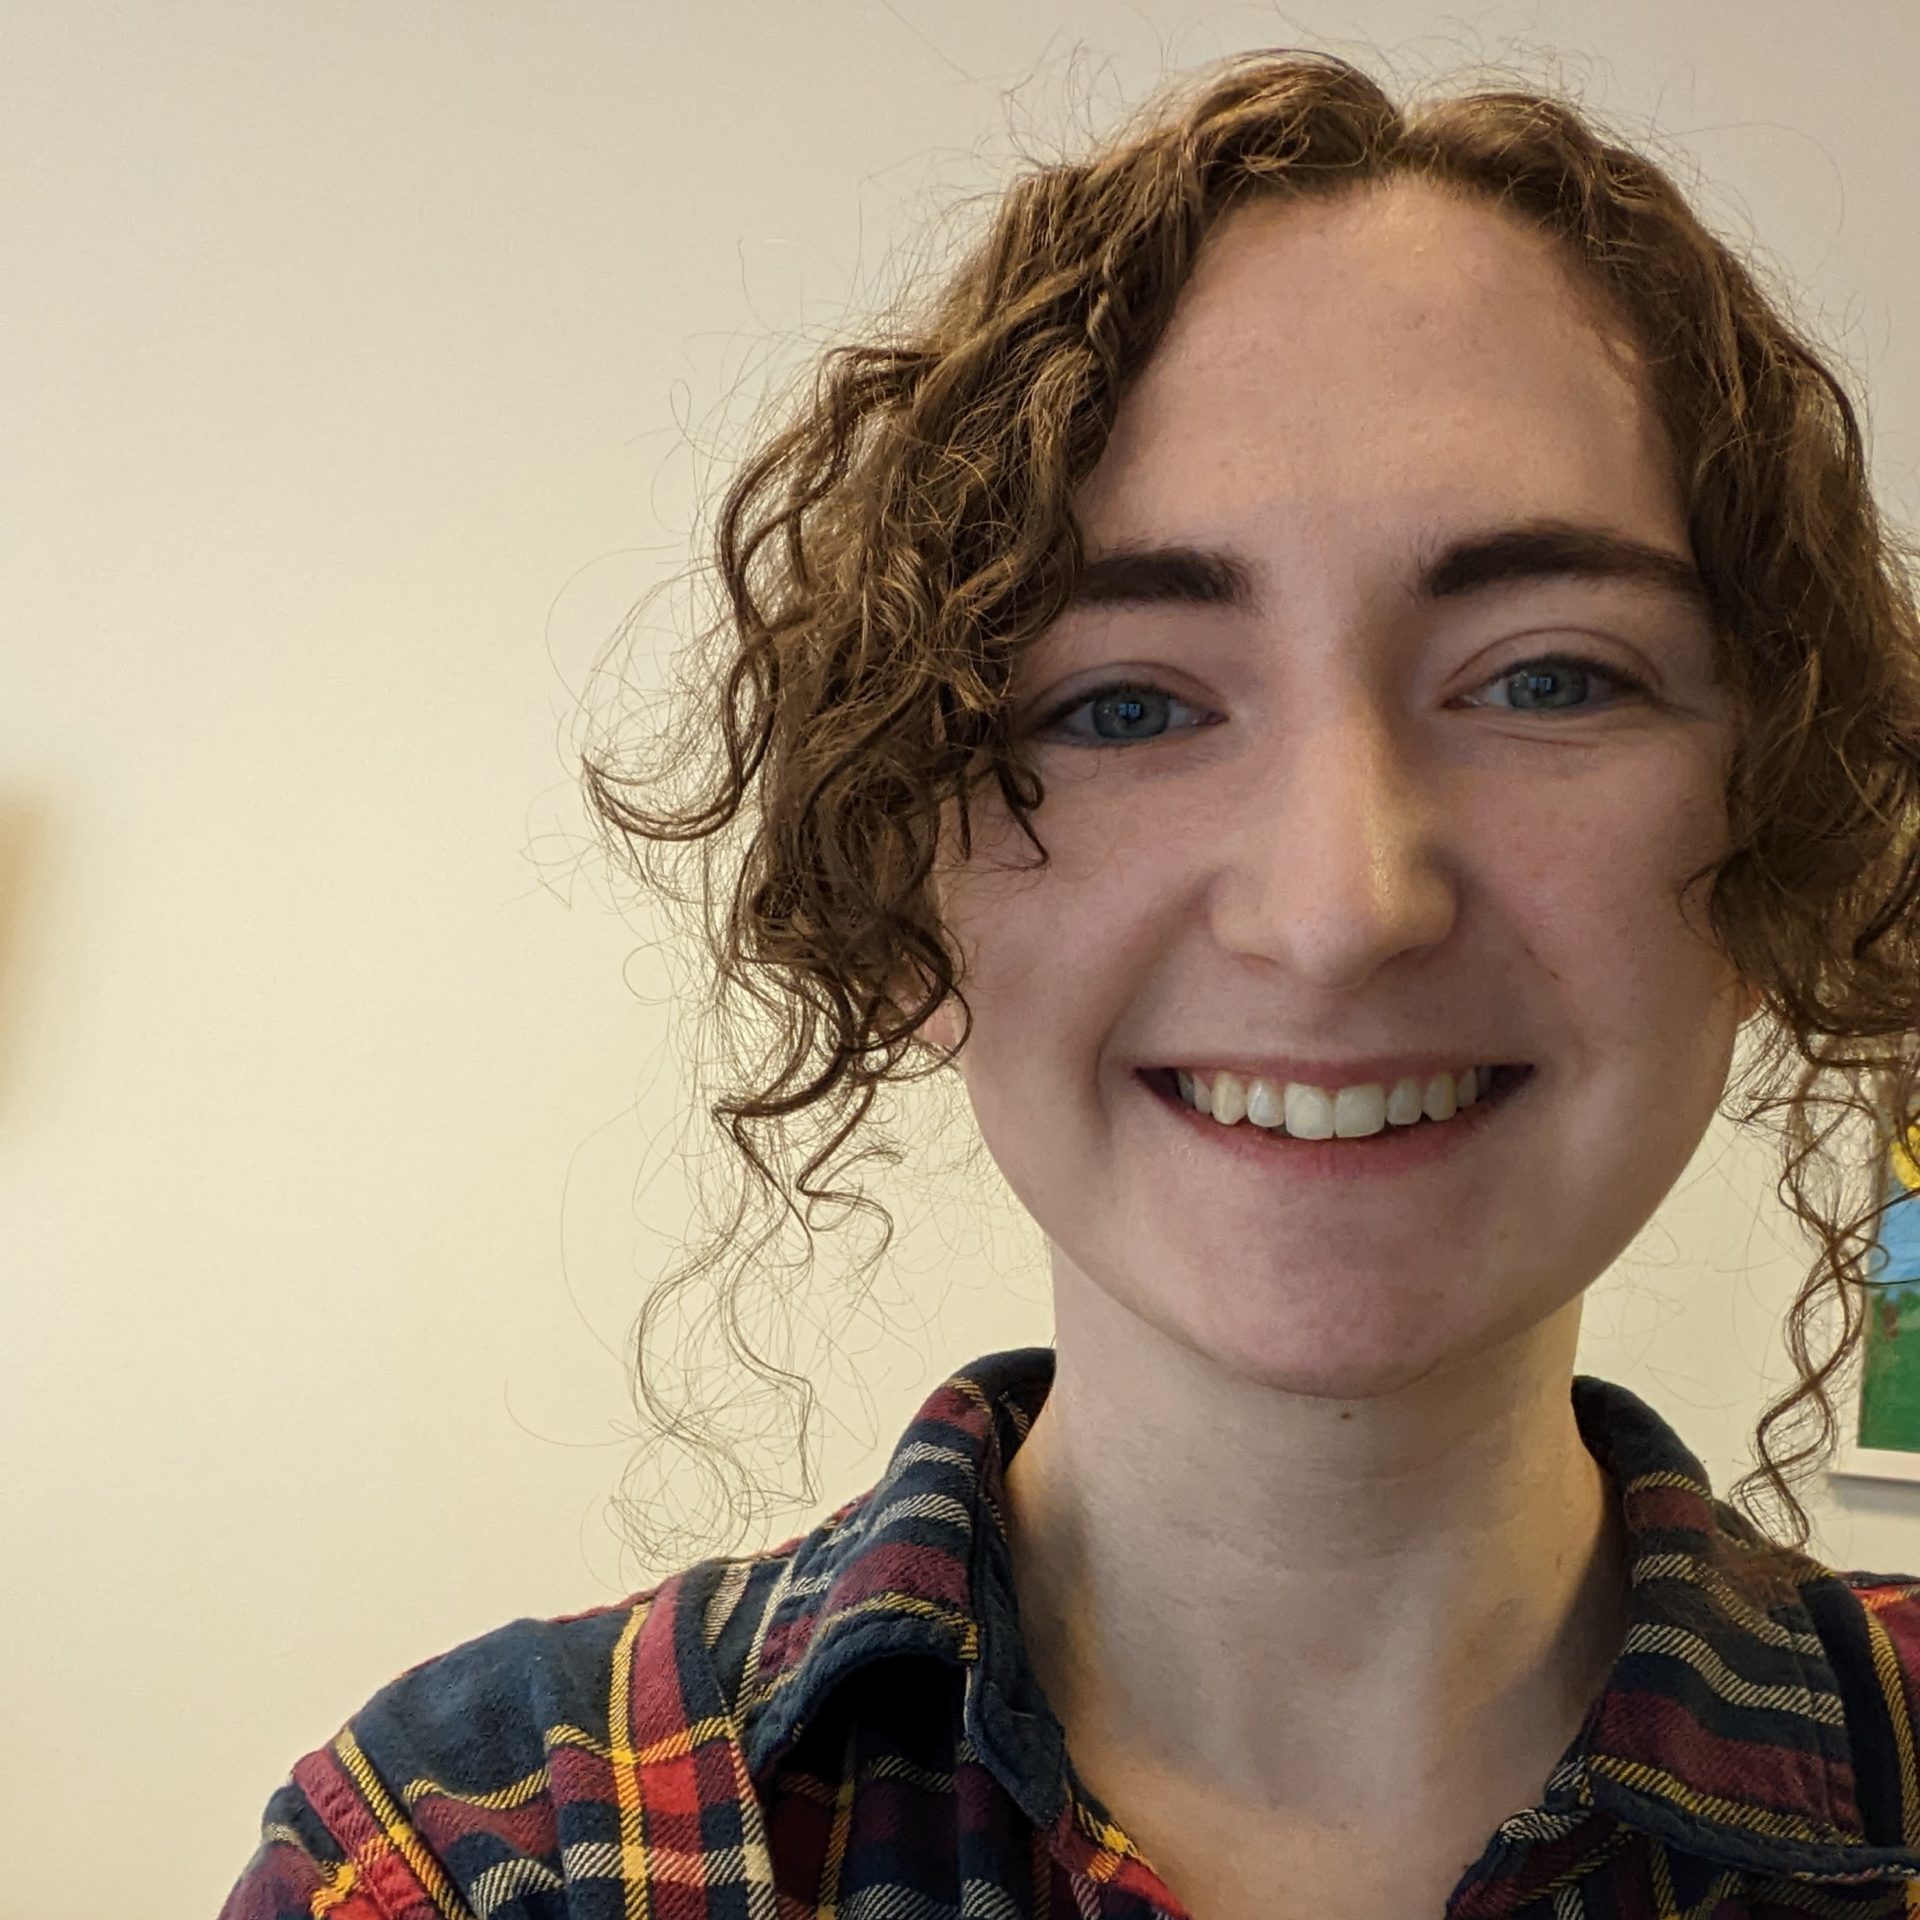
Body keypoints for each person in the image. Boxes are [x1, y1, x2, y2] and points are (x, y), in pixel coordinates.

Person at [219, 48, 1920, 1920]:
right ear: (903, 882)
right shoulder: (477, 1859)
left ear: (1785, 821)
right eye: (1121, 706)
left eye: (1546, 679)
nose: (1340, 906)